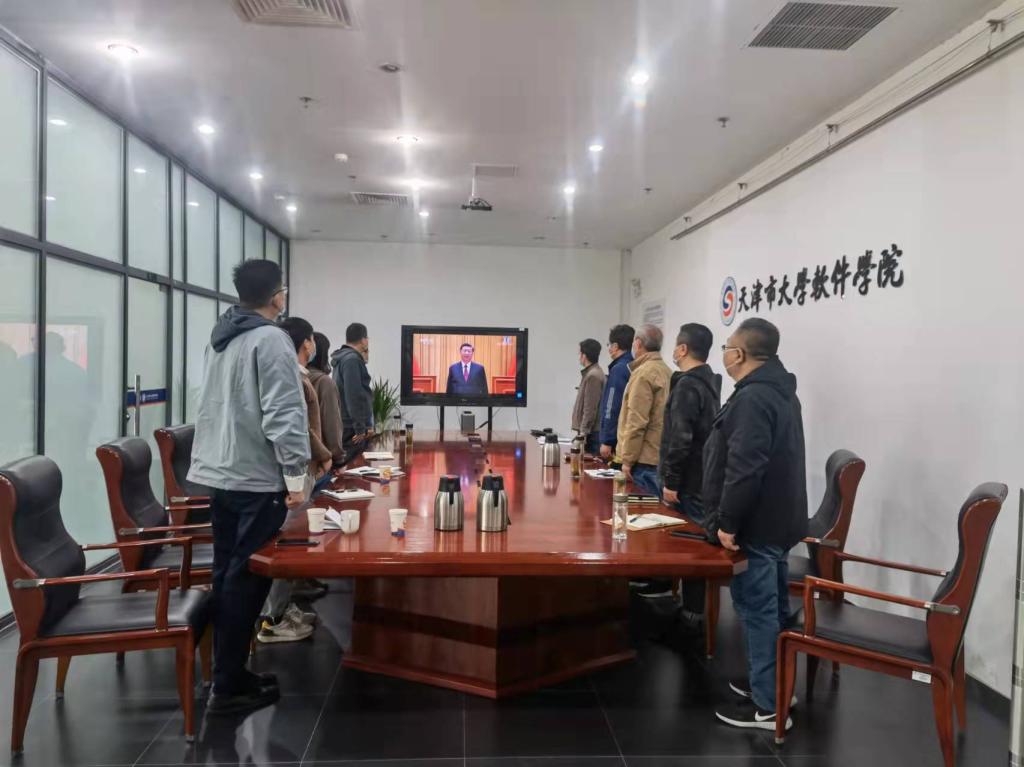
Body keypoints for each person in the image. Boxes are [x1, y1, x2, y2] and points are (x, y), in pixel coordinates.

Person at [187, 260, 309, 715]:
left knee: (227, 576)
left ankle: (227, 672)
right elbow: (283, 413)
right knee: (247, 581)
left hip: (221, 473)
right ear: (277, 296)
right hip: (256, 478)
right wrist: (295, 477)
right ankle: (228, 684)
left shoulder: (221, 337)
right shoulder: (270, 339)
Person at [703, 318, 807, 732]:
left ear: (740, 353)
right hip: (779, 521)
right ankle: (778, 689)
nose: (724, 354)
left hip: (757, 525)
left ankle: (768, 707)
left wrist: (728, 521)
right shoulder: (779, 390)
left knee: (758, 611)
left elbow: (745, 467)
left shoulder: (753, 398)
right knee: (774, 610)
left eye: (727, 346)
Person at [256, 316, 329, 644]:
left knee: (291, 540)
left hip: (302, 468)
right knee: (285, 544)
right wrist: (323, 454)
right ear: (304, 343)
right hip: (294, 472)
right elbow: (298, 428)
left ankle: (283, 609)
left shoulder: (298, 375)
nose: (314, 345)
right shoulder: (291, 377)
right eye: (311, 339)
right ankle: (273, 619)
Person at [657, 323, 721, 629]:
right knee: (694, 547)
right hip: (701, 477)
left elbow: (680, 438)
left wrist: (671, 480)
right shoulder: (710, 381)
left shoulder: (687, 386)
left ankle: (692, 617)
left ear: (682, 349)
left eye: (675, 345)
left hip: (687, 482)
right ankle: (691, 610)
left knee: (691, 550)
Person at [616, 324, 672, 496]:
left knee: (639, 510)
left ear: (638, 343)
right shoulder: (667, 371)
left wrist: (627, 461)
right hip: (659, 456)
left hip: (642, 461)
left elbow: (637, 421)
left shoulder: (643, 374)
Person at [331, 322, 374, 461]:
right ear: (363, 340)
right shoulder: (352, 360)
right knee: (356, 468)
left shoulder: (343, 357)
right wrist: (360, 427)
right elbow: (353, 395)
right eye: (367, 338)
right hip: (352, 428)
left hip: (347, 423)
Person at [597, 324, 635, 466]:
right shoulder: (633, 365)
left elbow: (611, 406)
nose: (609, 349)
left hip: (616, 441)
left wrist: (607, 440)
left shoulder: (618, 369)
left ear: (615, 346)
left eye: (609, 345)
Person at [309, 331, 345, 469]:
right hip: (322, 461)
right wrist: (338, 457)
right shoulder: (325, 382)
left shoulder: (296, 377)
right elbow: (331, 422)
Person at [571, 338, 606, 454]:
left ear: (584, 355)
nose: (579, 357)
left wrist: (583, 433)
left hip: (591, 434)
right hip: (590, 432)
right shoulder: (592, 373)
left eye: (580, 353)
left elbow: (590, 408)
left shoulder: (593, 376)